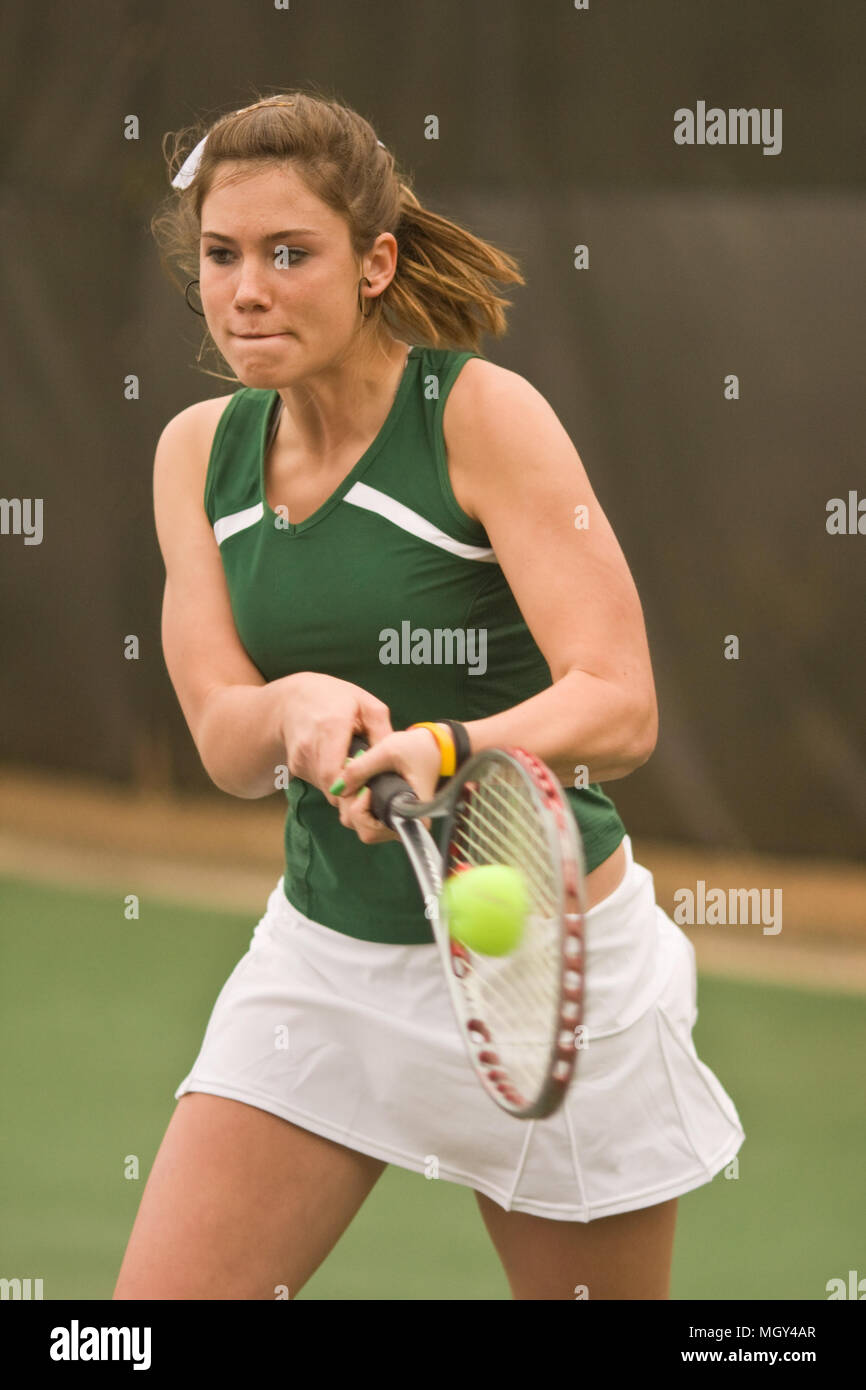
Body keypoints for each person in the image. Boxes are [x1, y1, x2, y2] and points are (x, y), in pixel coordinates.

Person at [113, 88, 744, 1301]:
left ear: (373, 263)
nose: (248, 288)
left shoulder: (479, 418)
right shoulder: (195, 452)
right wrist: (295, 708)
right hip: (326, 964)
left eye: (289, 254)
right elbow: (222, 737)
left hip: (543, 961)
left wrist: (447, 748)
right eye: (222, 255)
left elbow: (619, 700)